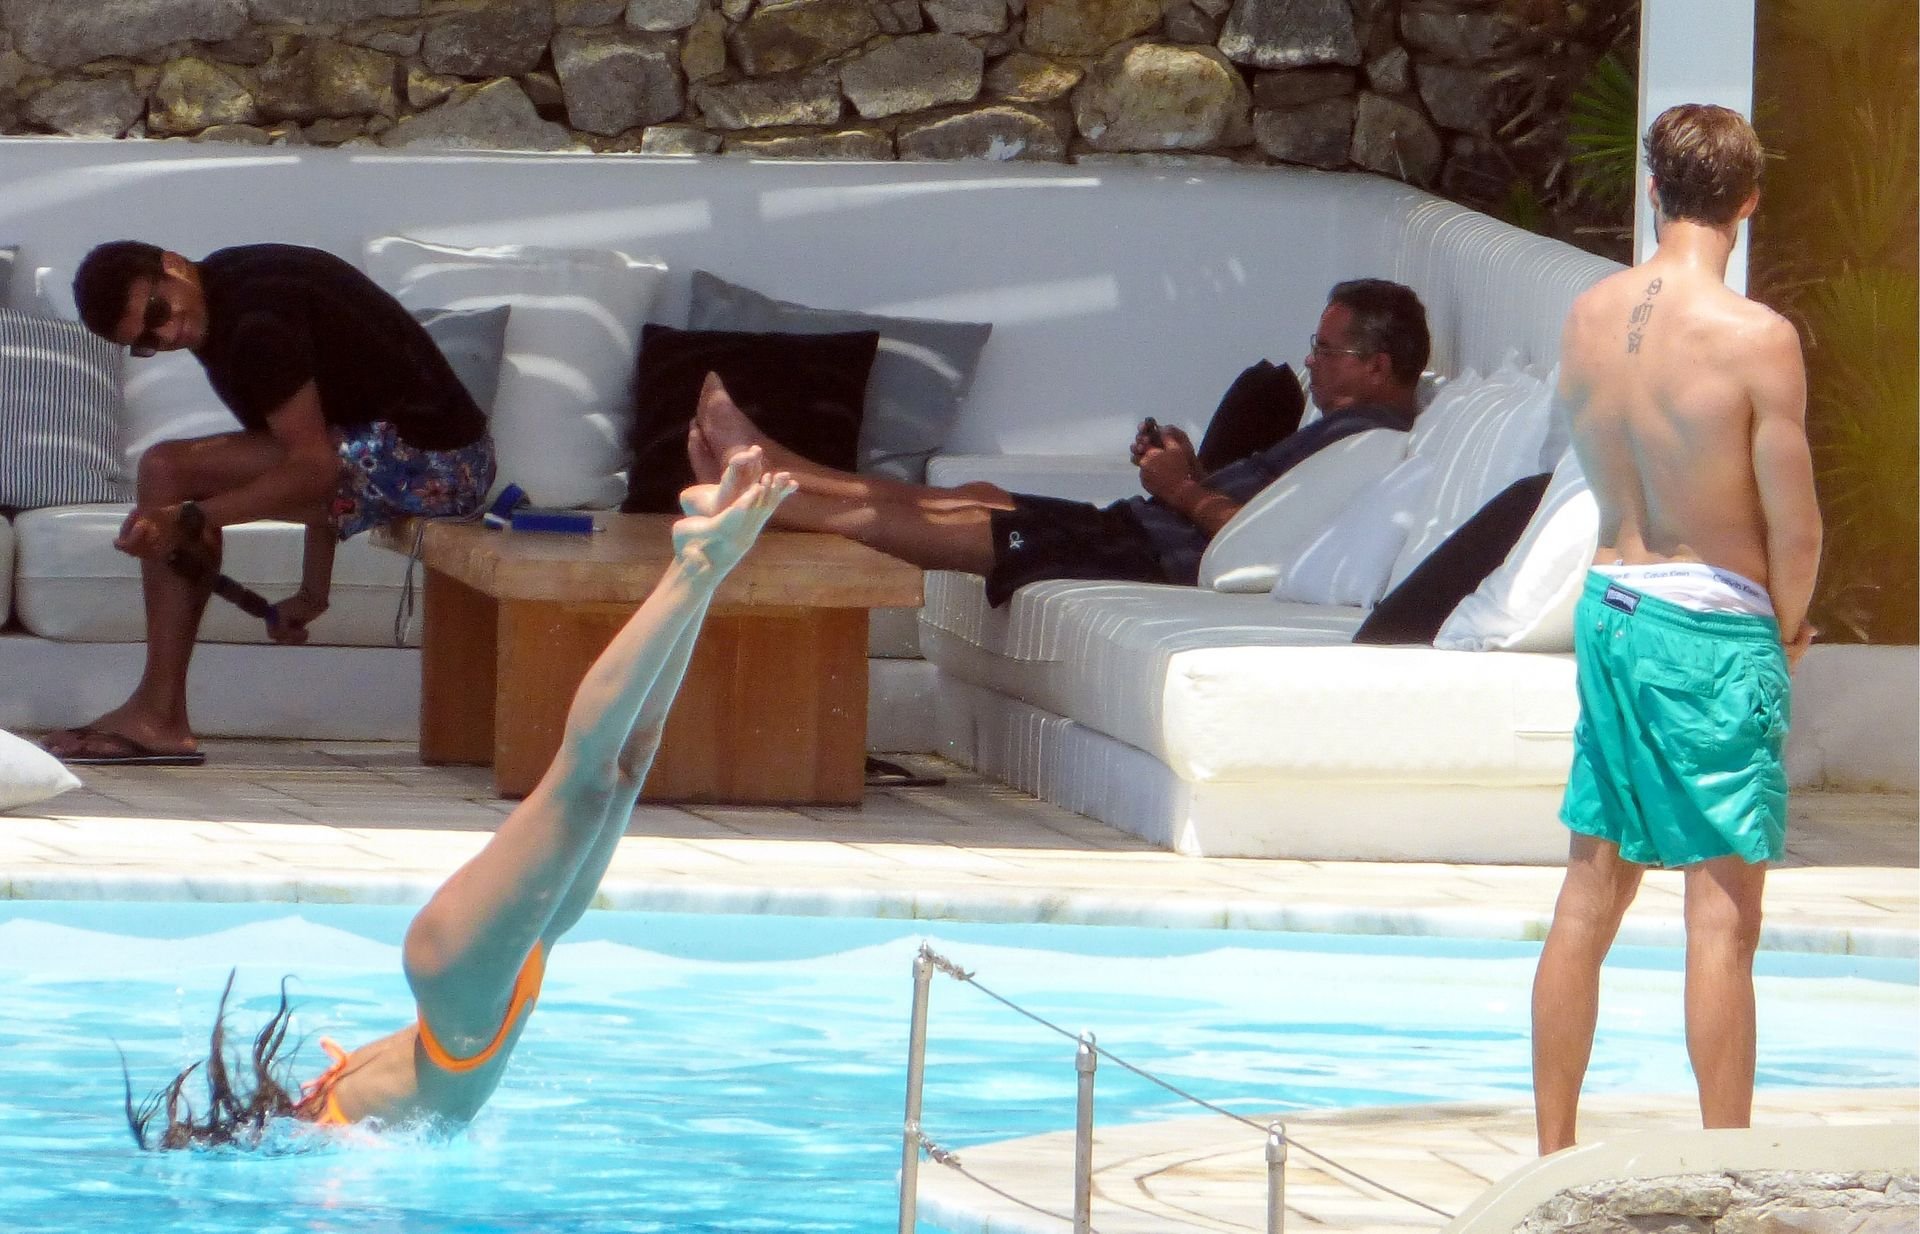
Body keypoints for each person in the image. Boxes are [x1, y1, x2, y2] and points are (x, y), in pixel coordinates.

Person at [125, 451, 796, 1148]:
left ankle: (699, 562)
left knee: (587, 775)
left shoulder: (329, 1144)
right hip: (480, 979)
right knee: (627, 764)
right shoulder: (326, 1104)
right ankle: (703, 561)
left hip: (465, 996)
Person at [1530, 103, 1822, 1155]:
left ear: (1652, 189)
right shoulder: (1755, 338)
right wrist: (1788, 630)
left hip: (1613, 607)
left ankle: (1554, 1159)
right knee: (1722, 916)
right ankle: (1729, 1170)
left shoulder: (1587, 317)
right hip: (1711, 627)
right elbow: (1795, 526)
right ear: (1750, 200)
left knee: (1589, 893)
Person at [686, 280, 1430, 605]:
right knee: (978, 497)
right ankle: (777, 470)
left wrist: (1178, 488)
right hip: (1146, 533)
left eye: (1325, 350)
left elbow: (1267, 546)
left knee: (970, 523)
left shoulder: (1370, 441)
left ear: (1376, 366)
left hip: (1155, 558)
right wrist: (1190, 472)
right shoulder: (1347, 431)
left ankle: (769, 497)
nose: (1310, 361)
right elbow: (1263, 515)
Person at [43, 241, 497, 767]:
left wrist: (189, 517)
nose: (164, 336)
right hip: (423, 454)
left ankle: (158, 715)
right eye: (144, 342)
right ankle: (158, 711)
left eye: (157, 313)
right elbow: (307, 451)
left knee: (167, 471)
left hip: (439, 467)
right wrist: (312, 593)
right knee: (170, 474)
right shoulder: (226, 292)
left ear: (173, 265)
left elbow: (314, 467)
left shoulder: (253, 327)